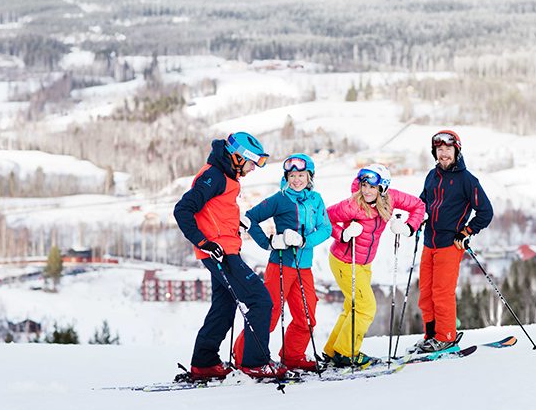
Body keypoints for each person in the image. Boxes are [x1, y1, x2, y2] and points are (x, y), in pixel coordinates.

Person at [173, 132, 286, 380]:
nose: (253, 169)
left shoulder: (225, 176)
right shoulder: (213, 176)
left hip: (225, 250)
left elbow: (214, 213)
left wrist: (235, 225)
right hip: (219, 254)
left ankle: (205, 362)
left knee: (223, 307)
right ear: (236, 157)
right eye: (251, 163)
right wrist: (204, 242)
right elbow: (183, 210)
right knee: (261, 300)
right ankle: (255, 362)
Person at [233, 153, 332, 371]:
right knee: (269, 314)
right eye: (292, 175)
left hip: (304, 267)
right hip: (280, 265)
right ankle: (243, 356)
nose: (296, 179)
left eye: (301, 175)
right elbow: (249, 218)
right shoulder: (279, 198)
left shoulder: (316, 200)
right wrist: (268, 242)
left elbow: (326, 229)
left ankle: (293, 356)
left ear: (310, 176)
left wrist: (305, 240)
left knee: (307, 317)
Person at [323, 164, 425, 366]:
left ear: (383, 188)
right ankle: (347, 353)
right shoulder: (352, 205)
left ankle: (334, 350)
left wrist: (408, 227)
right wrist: (342, 234)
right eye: (364, 185)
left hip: (363, 263)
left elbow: (418, 206)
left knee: (351, 307)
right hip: (345, 261)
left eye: (372, 186)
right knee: (365, 308)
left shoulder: (391, 198)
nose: (367, 190)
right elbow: (324, 218)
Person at [415, 129, 493, 353]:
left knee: (442, 292)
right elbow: (422, 204)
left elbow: (486, 212)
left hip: (450, 244)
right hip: (429, 242)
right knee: (426, 292)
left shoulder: (467, 180)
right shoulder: (432, 175)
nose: (444, 154)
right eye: (439, 150)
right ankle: (431, 335)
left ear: (456, 151)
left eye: (448, 149)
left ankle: (446, 336)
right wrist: (415, 219)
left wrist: (467, 231)